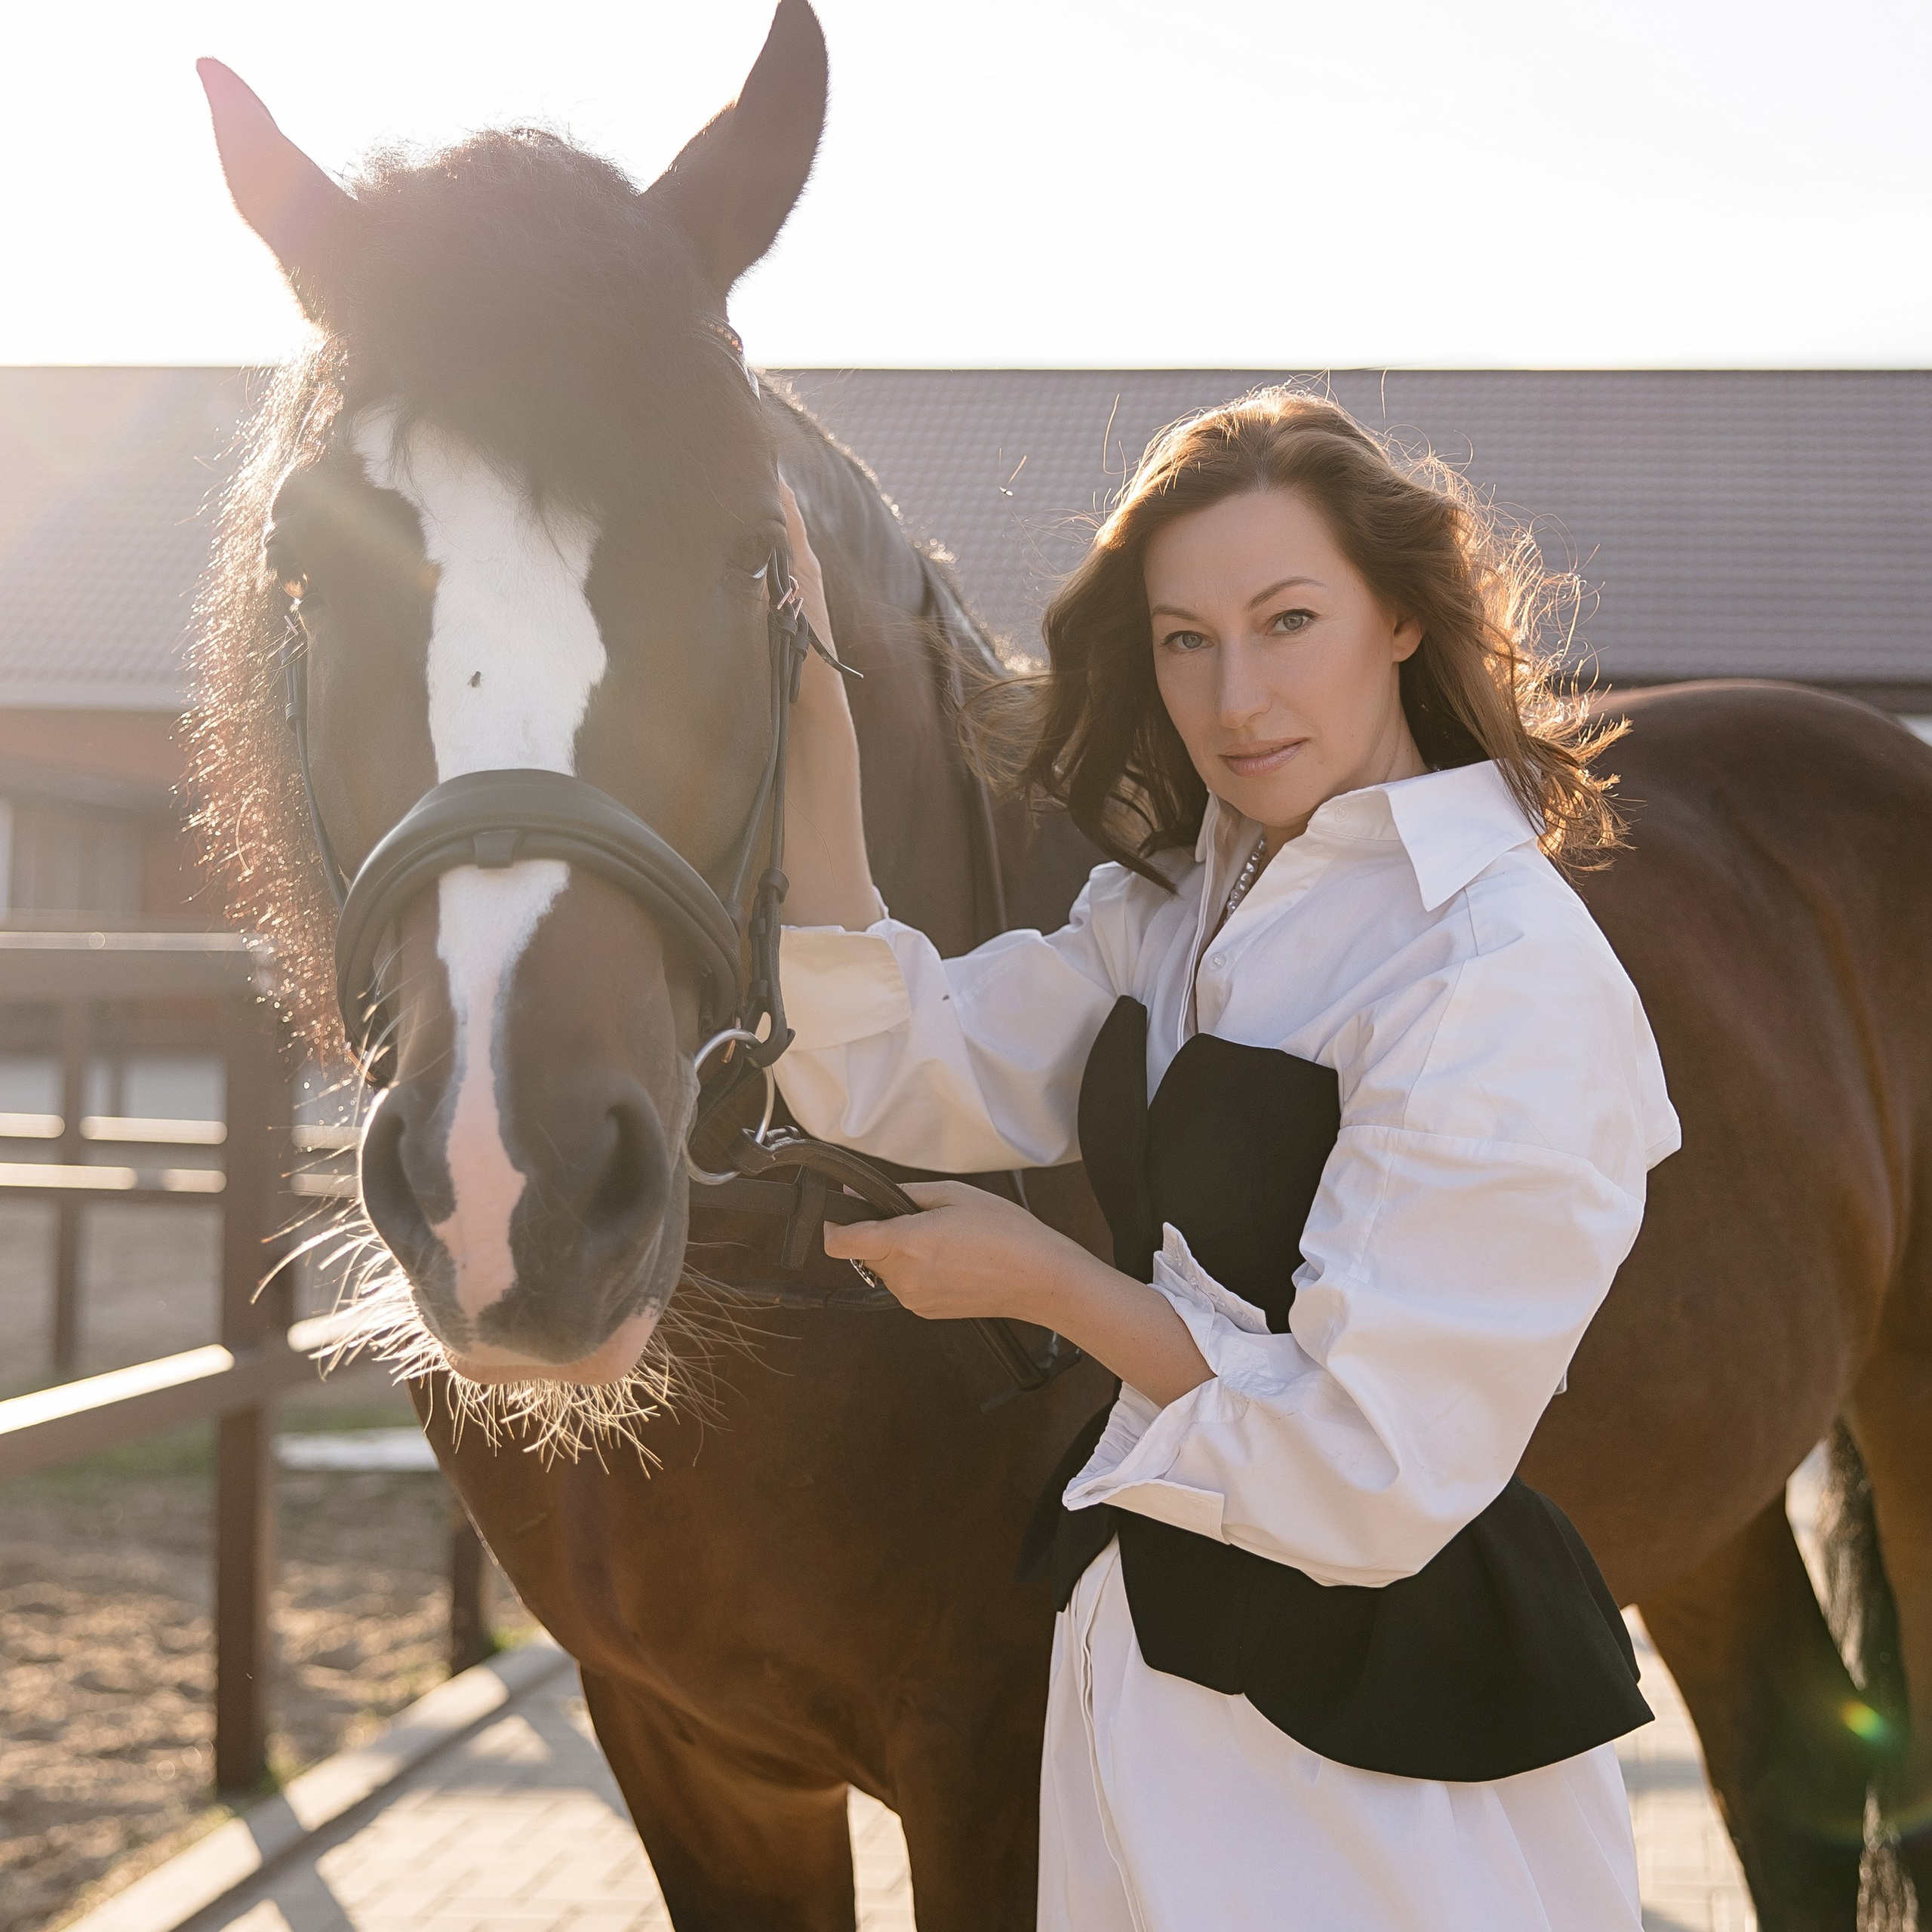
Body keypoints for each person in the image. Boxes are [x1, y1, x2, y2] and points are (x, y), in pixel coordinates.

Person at [771, 388, 1679, 1930]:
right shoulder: (1179, 908)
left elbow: (1366, 1464)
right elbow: (902, 1062)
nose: (1232, 694)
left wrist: (1044, 1280)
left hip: (1380, 1769)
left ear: (1398, 613)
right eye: (1183, 637)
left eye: (1284, 619)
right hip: (1142, 1692)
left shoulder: (1496, 965)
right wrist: (810, 711)